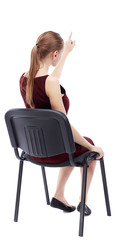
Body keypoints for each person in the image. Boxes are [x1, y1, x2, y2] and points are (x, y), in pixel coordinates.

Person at [20, 31, 104, 216]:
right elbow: (64, 125)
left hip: (33, 151)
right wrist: (92, 146)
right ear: (54, 54)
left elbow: (50, 82)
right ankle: (83, 202)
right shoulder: (49, 82)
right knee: (87, 147)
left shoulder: (24, 78)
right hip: (55, 151)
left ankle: (58, 195)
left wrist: (66, 53)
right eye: (60, 53)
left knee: (73, 143)